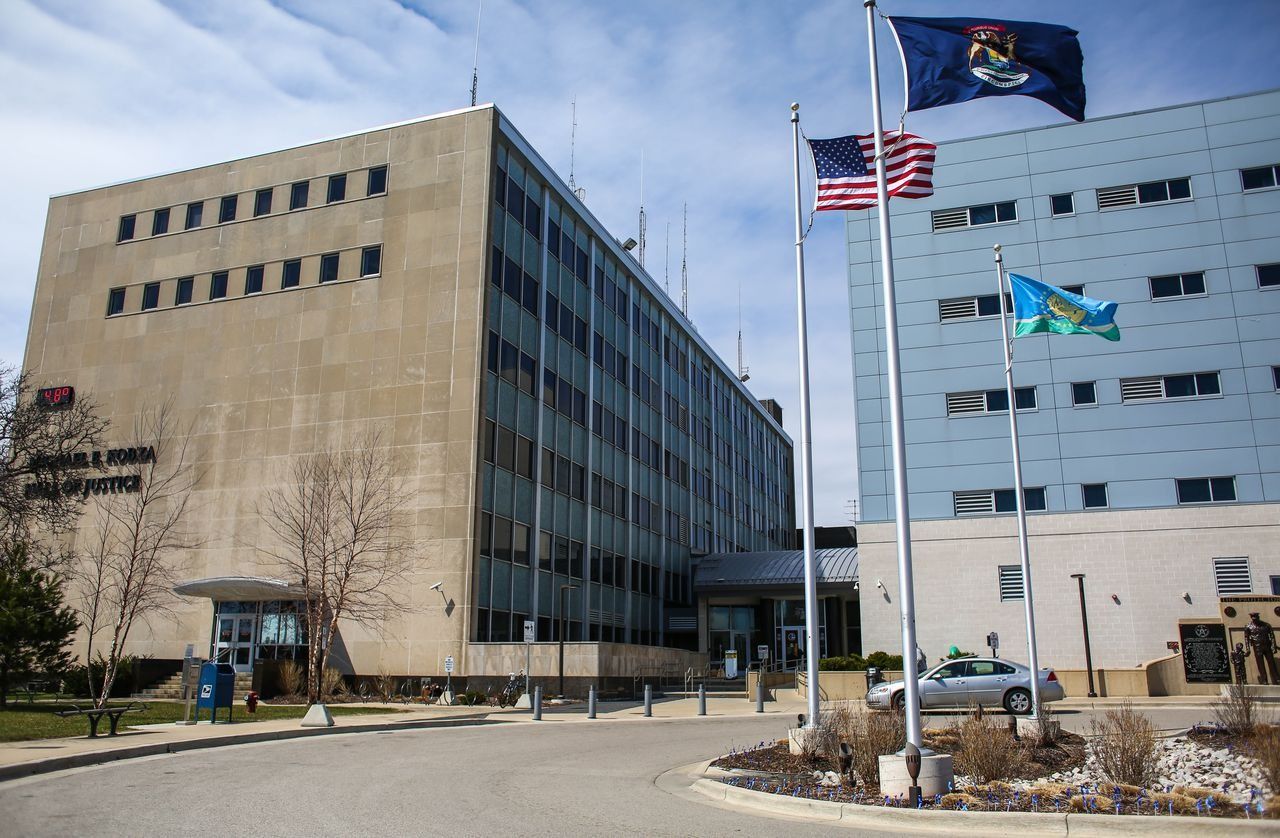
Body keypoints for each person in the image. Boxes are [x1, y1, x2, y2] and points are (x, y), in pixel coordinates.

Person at [1244, 612, 1278, 686]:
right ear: (1251, 618)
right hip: (1257, 648)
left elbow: (1272, 636)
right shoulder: (1248, 627)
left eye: (1256, 617)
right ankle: (1264, 680)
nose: (1254, 619)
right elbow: (1246, 638)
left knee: (1272, 663)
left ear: (1258, 617)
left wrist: (1274, 646)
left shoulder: (1266, 625)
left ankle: (1276, 679)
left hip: (1267, 646)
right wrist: (1247, 649)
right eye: (1253, 618)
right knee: (1260, 664)